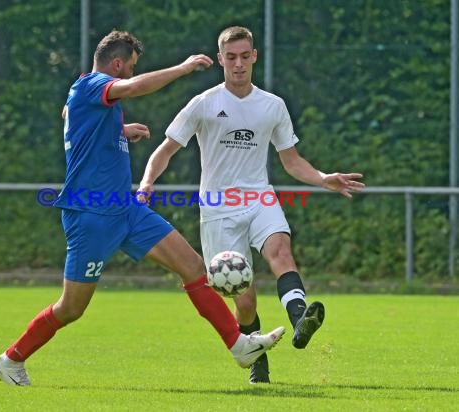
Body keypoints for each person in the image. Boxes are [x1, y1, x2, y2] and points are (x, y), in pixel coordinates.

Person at [0, 30, 286, 386]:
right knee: (71, 308)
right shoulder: (92, 86)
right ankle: (12, 359)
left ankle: (238, 346)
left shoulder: (88, 99)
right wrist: (183, 68)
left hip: (126, 210)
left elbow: (70, 115)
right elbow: (128, 90)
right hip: (92, 215)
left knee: (193, 267)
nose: (131, 74)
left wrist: (119, 129)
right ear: (117, 64)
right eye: (130, 67)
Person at [138, 26, 365, 384]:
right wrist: (148, 182)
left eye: (245, 56)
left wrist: (322, 178)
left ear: (254, 56)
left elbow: (291, 161)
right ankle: (258, 359)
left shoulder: (272, 105)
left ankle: (299, 320)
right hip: (217, 210)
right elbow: (164, 150)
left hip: (259, 197)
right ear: (220, 60)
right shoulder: (204, 103)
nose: (239, 64)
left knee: (281, 251)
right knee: (244, 301)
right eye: (231, 57)